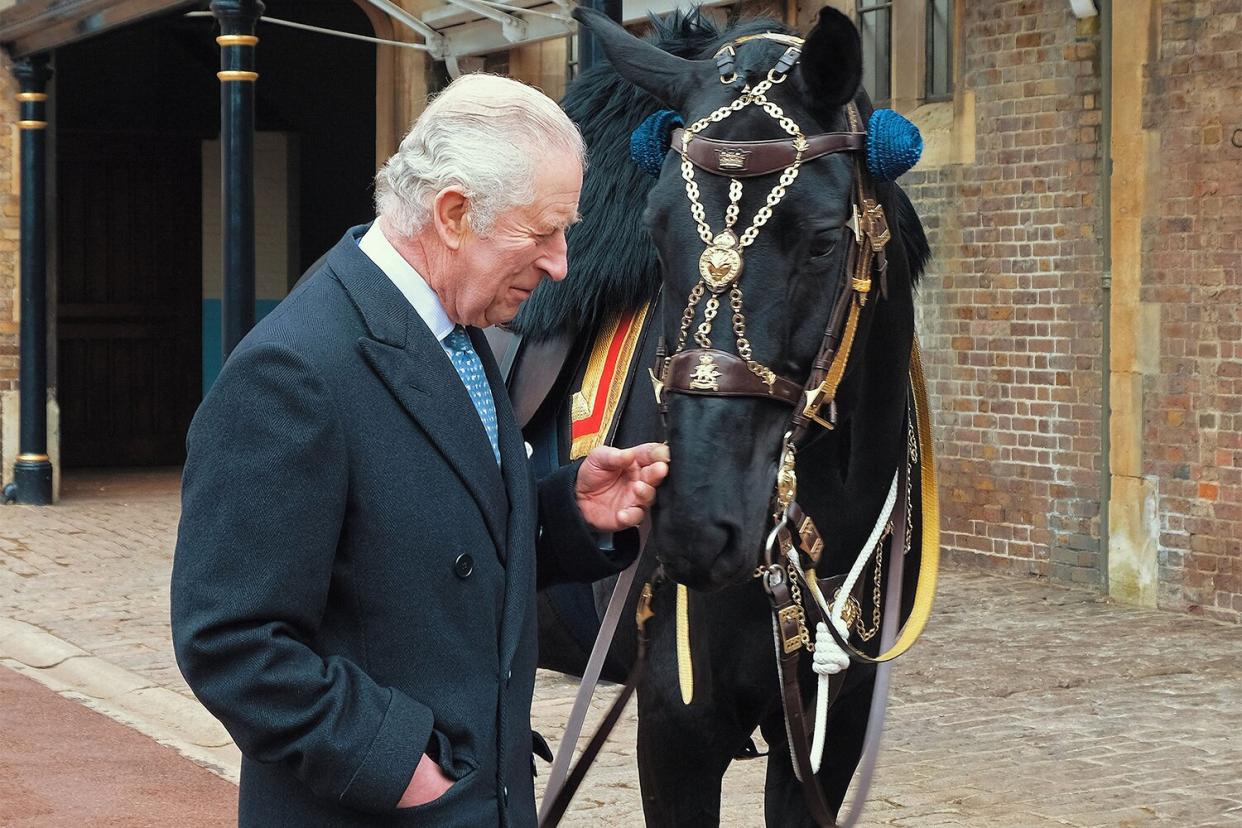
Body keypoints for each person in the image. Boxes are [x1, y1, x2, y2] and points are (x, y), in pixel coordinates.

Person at [170, 73, 669, 827]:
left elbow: (428, 537)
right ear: (454, 213)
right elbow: (231, 638)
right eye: (542, 233)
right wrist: (400, 765)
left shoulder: (457, 331)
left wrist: (569, 511)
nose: (562, 262)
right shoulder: (292, 372)